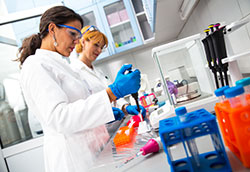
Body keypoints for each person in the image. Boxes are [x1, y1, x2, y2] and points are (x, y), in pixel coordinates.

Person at [16, 6, 141, 172]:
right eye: (72, 34)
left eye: (78, 35)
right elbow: (59, 117)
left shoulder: (62, 65)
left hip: (96, 152)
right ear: (52, 29)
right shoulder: (35, 65)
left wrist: (110, 112)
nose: (77, 41)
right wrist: (112, 93)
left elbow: (84, 105)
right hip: (73, 160)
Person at [71, 25, 146, 121]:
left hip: (113, 127)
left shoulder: (98, 72)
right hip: (97, 129)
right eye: (96, 45)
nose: (99, 50)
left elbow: (113, 99)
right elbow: (83, 109)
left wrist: (125, 107)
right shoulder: (74, 72)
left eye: (101, 47)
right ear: (83, 42)